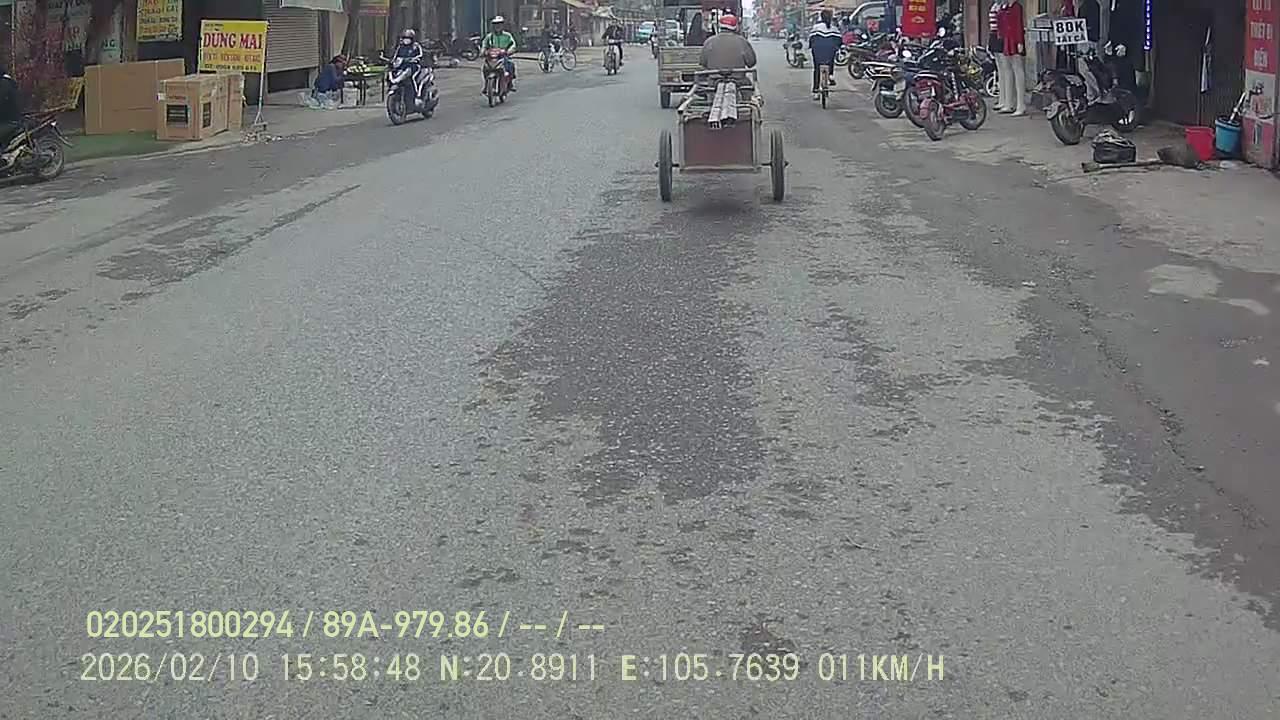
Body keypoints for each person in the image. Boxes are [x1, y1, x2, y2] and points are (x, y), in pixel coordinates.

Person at [809, 9, 841, 99]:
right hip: (830, 51)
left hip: (817, 51)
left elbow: (811, 39)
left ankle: (816, 91)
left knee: (817, 69)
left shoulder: (816, 27)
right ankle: (830, 75)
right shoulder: (834, 28)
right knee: (831, 59)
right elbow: (839, 41)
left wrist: (811, 46)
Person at [482, 15, 518, 91]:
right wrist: (483, 51)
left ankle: (510, 83)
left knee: (511, 65)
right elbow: (484, 45)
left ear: (502, 25)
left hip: (503, 56)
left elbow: (513, 45)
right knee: (485, 68)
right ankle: (486, 84)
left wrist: (509, 51)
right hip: (492, 57)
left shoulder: (507, 35)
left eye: (499, 24)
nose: (498, 26)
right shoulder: (489, 36)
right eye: (496, 24)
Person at [0, 65, 21, 168]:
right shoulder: (6, 82)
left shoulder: (5, 84)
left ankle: (4, 161)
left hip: (10, 120)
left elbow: (1, 102)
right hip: (8, 119)